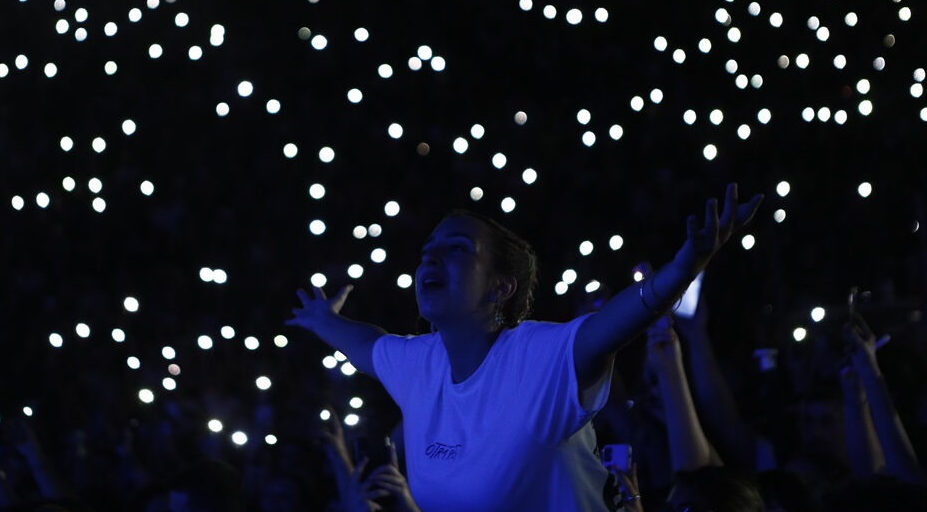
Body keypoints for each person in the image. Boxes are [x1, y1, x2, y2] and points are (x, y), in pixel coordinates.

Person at [288, 184, 762, 512]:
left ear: (501, 288)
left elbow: (609, 326)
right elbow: (368, 344)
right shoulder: (421, 363)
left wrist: (678, 274)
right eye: (428, 249)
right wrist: (323, 320)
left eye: (457, 249)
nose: (430, 256)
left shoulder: (535, 358)